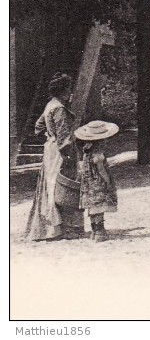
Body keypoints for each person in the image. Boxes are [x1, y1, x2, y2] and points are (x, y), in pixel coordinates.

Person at [25, 73, 84, 241]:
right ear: (63, 91)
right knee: (62, 183)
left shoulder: (50, 105)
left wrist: (49, 135)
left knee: (50, 183)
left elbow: (38, 127)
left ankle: (49, 228)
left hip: (50, 150)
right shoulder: (59, 109)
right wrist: (69, 156)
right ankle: (60, 229)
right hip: (59, 151)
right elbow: (64, 138)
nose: (70, 92)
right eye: (68, 89)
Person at [75, 120, 120, 242]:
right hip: (97, 182)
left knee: (92, 207)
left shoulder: (86, 152)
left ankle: (94, 231)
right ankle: (100, 232)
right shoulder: (98, 153)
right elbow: (101, 169)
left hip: (88, 183)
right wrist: (108, 181)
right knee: (99, 206)